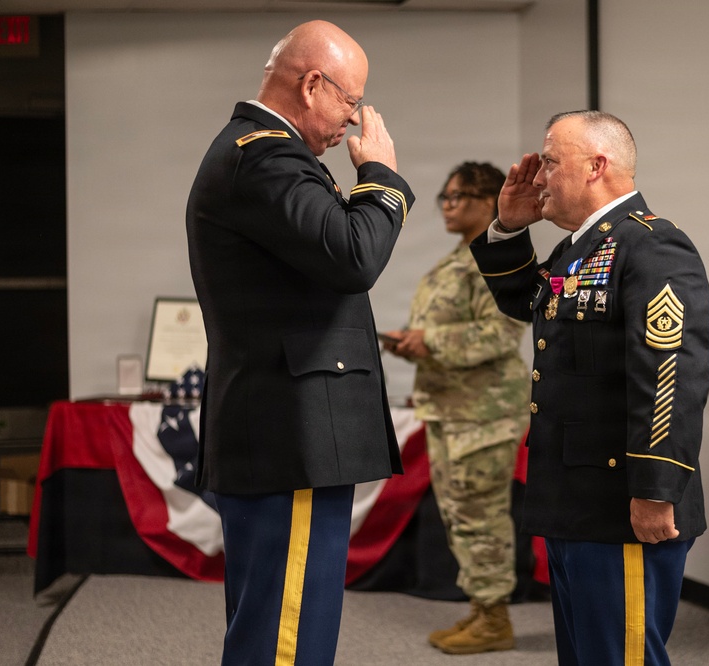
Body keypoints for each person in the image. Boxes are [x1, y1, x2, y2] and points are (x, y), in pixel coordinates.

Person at [185, 20, 414, 666]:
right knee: (287, 641)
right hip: (292, 440)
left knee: (275, 631)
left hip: (285, 436)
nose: (354, 119)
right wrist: (382, 179)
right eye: (350, 100)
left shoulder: (265, 155)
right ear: (312, 84)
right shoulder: (265, 156)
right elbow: (351, 256)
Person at [470, 110, 709, 666]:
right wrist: (508, 227)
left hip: (621, 505)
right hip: (575, 502)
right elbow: (530, 305)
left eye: (551, 162)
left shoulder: (653, 247)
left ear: (596, 166)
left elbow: (670, 376)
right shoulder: (582, 248)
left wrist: (656, 489)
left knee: (620, 657)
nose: (538, 177)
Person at [381, 162, 530, 655]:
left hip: (482, 415)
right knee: (462, 517)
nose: (448, 204)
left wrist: (429, 341)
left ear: (490, 202)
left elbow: (503, 333)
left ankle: (495, 619)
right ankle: (482, 611)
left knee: (481, 517)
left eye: (460, 196)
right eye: (444, 196)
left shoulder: (495, 262)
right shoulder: (456, 261)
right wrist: (414, 343)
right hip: (452, 409)